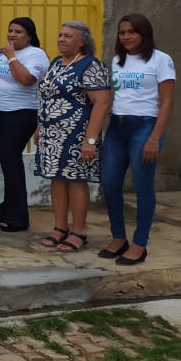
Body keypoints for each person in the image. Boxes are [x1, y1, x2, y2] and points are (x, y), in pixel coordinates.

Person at [98, 14, 175, 266]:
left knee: (143, 187)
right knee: (109, 183)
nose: (126, 37)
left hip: (145, 127)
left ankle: (140, 244)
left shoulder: (161, 59)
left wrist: (154, 137)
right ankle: (119, 237)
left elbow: (167, 101)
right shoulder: (117, 60)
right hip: (117, 127)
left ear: (144, 33)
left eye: (132, 32)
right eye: (122, 32)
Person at [34, 22, 111, 252]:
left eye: (68, 36)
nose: (61, 39)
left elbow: (101, 102)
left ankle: (78, 231)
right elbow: (47, 98)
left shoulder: (91, 65)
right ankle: (60, 227)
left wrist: (90, 140)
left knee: (76, 180)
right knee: (56, 179)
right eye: (60, 35)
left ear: (82, 41)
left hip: (77, 135)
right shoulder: (56, 63)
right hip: (51, 135)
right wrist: (40, 127)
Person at [0, 17, 50, 232]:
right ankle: (7, 208)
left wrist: (12, 57)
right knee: (7, 161)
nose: (12, 34)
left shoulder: (35, 54)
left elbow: (27, 79)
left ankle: (18, 217)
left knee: (11, 161)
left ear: (29, 36)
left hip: (20, 114)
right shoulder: (1, 53)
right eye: (10, 30)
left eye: (18, 31)